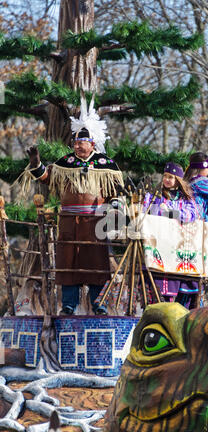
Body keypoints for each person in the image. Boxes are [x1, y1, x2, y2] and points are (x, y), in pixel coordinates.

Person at [21, 98, 124, 315]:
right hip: (68, 222)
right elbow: (47, 179)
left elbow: (116, 191)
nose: (77, 145)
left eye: (81, 142)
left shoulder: (106, 165)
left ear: (92, 144)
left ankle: (99, 303)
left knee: (97, 264)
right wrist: (36, 164)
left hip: (95, 223)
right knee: (69, 263)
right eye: (75, 142)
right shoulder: (65, 163)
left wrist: (115, 208)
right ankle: (69, 304)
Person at [143, 162, 200, 306]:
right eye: (165, 176)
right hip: (159, 241)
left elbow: (192, 215)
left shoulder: (185, 198)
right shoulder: (155, 195)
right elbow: (146, 212)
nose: (167, 180)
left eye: (171, 177)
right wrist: (157, 209)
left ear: (177, 180)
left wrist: (171, 212)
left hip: (178, 243)